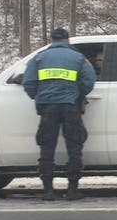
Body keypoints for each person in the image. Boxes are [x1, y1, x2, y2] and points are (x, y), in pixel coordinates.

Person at [23, 28, 97, 200]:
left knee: (46, 147)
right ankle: (72, 190)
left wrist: (39, 96)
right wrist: (78, 94)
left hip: (47, 108)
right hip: (70, 106)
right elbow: (89, 80)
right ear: (67, 39)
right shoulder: (78, 57)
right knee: (74, 147)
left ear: (51, 40)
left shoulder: (39, 58)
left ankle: (48, 190)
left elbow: (29, 82)